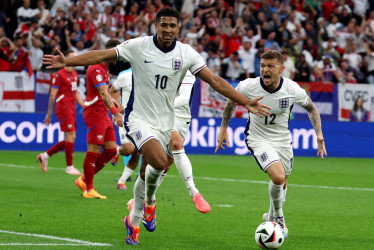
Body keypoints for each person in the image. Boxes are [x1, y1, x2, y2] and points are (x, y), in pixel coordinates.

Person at [43, 7, 270, 245]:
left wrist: (245, 102)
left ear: (178, 28)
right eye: (164, 25)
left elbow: (214, 80)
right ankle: (144, 210)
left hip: (165, 122)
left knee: (146, 172)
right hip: (138, 119)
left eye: (173, 25)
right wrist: (67, 61)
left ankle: (135, 217)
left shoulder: (186, 53)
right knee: (160, 162)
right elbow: (101, 55)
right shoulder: (138, 46)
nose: (168, 30)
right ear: (156, 26)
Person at [216, 50, 327, 239]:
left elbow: (312, 109)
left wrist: (319, 134)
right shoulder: (248, 86)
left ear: (281, 69)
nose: (265, 70)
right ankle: (279, 218)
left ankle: (271, 215)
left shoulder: (292, 89)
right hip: (258, 139)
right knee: (277, 176)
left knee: (282, 182)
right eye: (262, 66)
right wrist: (223, 128)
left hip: (283, 141)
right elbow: (231, 102)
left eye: (270, 66)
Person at [74, 39, 124, 199]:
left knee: (110, 150)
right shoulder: (96, 68)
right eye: (115, 54)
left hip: (103, 112)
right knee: (93, 150)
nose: (117, 58)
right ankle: (88, 188)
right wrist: (116, 112)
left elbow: (104, 93)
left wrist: (114, 101)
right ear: (109, 51)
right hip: (95, 113)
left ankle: (84, 179)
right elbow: (102, 94)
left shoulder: (105, 68)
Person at [37, 50, 84, 175]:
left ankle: (45, 155)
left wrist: (84, 105)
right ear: (66, 58)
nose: (76, 59)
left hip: (71, 108)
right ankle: (69, 167)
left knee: (71, 137)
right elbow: (52, 96)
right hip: (63, 108)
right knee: (70, 136)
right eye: (73, 57)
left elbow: (76, 92)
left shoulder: (74, 74)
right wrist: (50, 114)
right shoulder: (60, 74)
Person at [108, 68, 141, 190]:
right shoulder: (125, 76)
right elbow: (111, 92)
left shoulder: (150, 76)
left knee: (137, 152)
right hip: (125, 119)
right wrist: (116, 109)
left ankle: (121, 182)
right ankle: (116, 151)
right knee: (128, 150)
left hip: (141, 120)